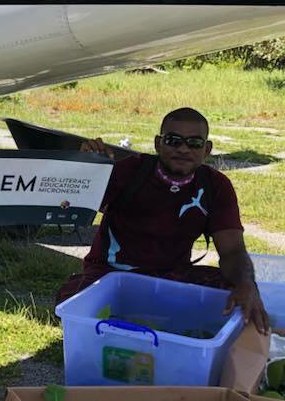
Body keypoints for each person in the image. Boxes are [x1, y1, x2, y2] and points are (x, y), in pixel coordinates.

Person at [56, 107, 269, 333]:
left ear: (207, 149)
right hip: (114, 273)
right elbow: (69, 205)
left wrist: (246, 284)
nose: (183, 149)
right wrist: (87, 167)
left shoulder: (216, 186)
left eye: (194, 143)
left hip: (171, 276)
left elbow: (233, 252)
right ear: (158, 144)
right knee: (71, 300)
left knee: (237, 292)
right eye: (173, 140)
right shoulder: (130, 170)